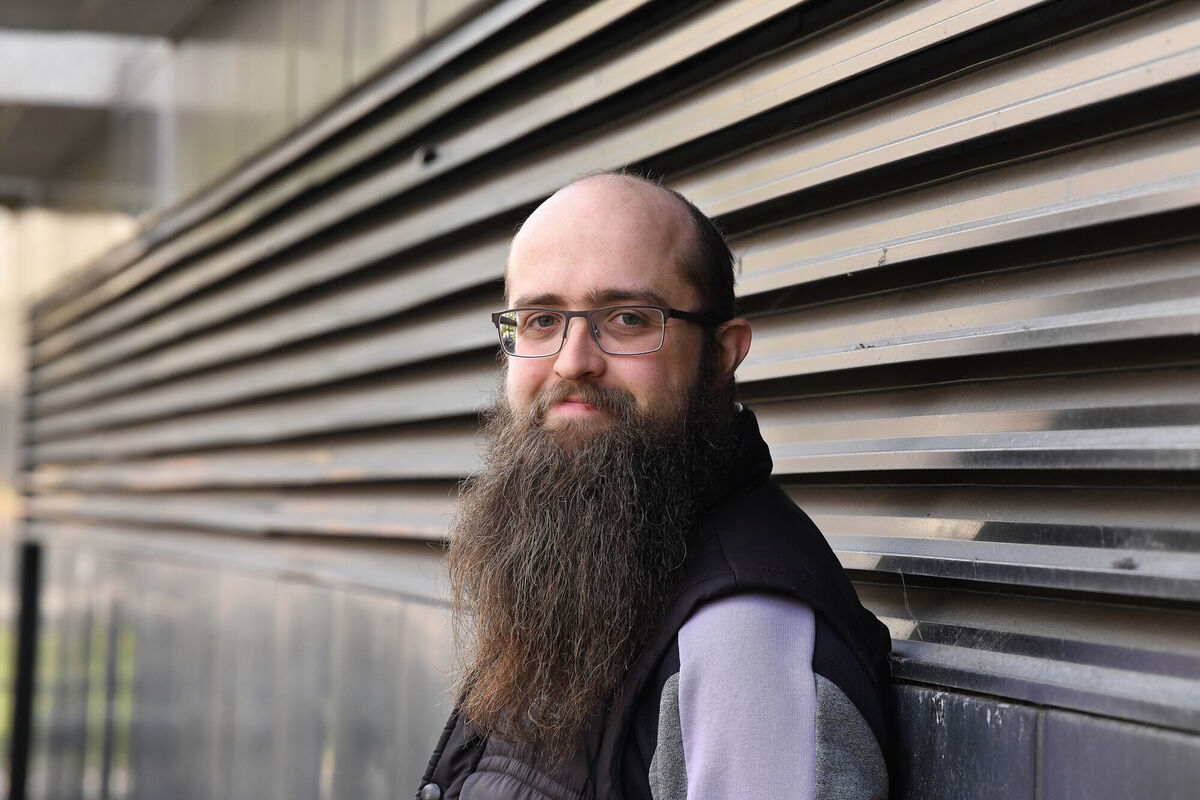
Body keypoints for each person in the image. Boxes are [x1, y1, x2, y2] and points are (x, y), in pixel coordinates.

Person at [417, 172, 892, 800]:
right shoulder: (586, 559)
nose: (572, 360)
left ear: (723, 354)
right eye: (539, 321)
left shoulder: (742, 644)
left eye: (628, 318)